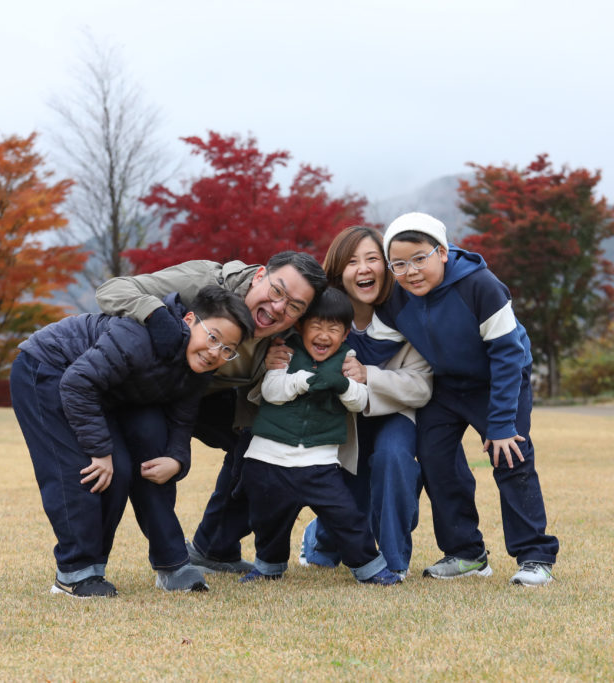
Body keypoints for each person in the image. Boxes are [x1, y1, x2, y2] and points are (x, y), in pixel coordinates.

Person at [11, 285, 254, 596]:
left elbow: (182, 416)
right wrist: (99, 451)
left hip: (97, 391)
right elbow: (77, 383)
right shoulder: (137, 337)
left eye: (227, 350)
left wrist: (177, 459)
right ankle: (74, 574)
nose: (215, 352)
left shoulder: (199, 368)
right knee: (85, 470)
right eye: (213, 337)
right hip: (47, 369)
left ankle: (144, 567)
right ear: (190, 319)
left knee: (123, 470)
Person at [95, 251, 328, 573]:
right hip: (143, 392)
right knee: (151, 456)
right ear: (260, 276)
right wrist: (157, 315)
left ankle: (215, 548)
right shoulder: (202, 282)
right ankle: (164, 561)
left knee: (263, 448)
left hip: (202, 396)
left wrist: (273, 372)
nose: (279, 308)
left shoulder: (286, 335)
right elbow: (113, 290)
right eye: (277, 291)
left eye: (294, 306)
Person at [370, 212, 559, 586]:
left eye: (420, 258)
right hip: (445, 385)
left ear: (442, 252)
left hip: (500, 380)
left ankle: (535, 556)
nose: (410, 272)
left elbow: (508, 354)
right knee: (436, 457)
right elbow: (374, 348)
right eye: (399, 264)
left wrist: (502, 423)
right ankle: (466, 552)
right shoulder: (394, 299)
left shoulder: (480, 286)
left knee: (511, 458)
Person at [296, 225, 448, 579]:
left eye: (372, 259)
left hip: (394, 410)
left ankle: (394, 561)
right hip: (345, 415)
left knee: (393, 460)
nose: (363, 268)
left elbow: (421, 387)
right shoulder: (323, 319)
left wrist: (369, 375)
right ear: (337, 272)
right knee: (350, 484)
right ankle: (319, 538)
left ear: (387, 266)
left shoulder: (408, 316)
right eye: (352, 262)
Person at [239, 287, 401, 585]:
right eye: (316, 326)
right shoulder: (284, 352)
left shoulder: (347, 360)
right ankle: (269, 566)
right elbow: (270, 392)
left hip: (319, 462)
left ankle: (369, 568)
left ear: (346, 333)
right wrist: (302, 381)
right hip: (268, 458)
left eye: (333, 328)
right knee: (268, 519)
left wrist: (341, 385)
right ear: (300, 327)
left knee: (346, 517)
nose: (324, 335)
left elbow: (360, 399)